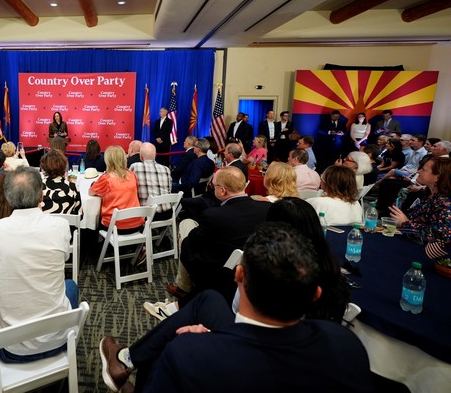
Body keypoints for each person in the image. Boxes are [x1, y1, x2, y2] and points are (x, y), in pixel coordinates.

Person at [99, 223, 373, 393]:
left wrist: (208, 344)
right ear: (315, 295)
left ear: (239, 275)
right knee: (208, 299)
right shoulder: (347, 344)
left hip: (223, 356)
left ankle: (128, 362)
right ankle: (126, 359)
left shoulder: (188, 352)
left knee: (163, 353)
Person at [0, 167, 78, 362]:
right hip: (60, 340)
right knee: (70, 286)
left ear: (7, 196)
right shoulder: (60, 226)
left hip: (12, 350)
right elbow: (63, 258)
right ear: (41, 195)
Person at [166, 167, 271, 305]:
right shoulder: (267, 208)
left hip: (217, 271)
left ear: (222, 190)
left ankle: (184, 286)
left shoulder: (214, 215)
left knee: (186, 226)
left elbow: (190, 244)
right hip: (254, 267)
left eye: (213, 185)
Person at [390, 157, 451, 259]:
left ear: (437, 177)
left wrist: (405, 223)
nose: (418, 171)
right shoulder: (428, 195)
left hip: (423, 257)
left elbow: (440, 238)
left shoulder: (446, 204)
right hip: (408, 244)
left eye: (423, 169)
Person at [89, 145, 144, 232]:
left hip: (115, 226)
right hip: (136, 224)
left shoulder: (106, 178)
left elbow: (91, 192)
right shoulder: (132, 175)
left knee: (92, 227)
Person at [130, 142, 172, 220]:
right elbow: (169, 190)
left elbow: (128, 189)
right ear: (155, 155)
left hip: (146, 214)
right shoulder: (166, 169)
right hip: (166, 213)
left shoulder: (135, 167)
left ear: (141, 156)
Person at [40, 149, 82, 215]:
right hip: (67, 224)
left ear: (44, 167)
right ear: (64, 166)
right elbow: (80, 214)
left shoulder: (38, 187)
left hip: (43, 224)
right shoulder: (72, 187)